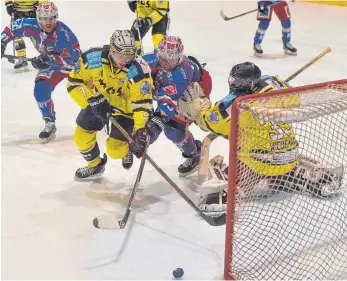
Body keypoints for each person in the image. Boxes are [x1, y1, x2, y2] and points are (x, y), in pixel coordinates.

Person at [193, 62, 343, 218]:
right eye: (236, 80)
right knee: (272, 154)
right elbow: (293, 95)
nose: (236, 84)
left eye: (242, 81)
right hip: (288, 156)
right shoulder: (273, 82)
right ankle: (304, 175)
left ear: (253, 81)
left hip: (255, 164)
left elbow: (209, 123)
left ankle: (230, 191)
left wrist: (201, 107)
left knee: (225, 160)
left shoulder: (236, 103)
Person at [67, 29, 159, 180]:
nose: (123, 60)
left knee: (115, 150)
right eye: (119, 55)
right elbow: (74, 82)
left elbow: (142, 104)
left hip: (127, 112)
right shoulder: (92, 59)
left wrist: (139, 130)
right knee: (80, 137)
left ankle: (127, 149)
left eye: (128, 55)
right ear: (111, 50)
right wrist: (93, 100)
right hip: (100, 101)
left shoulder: (139, 70)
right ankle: (96, 166)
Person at [1, 1, 82, 142]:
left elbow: (73, 60)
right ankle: (50, 123)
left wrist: (47, 59)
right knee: (40, 91)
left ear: (56, 17)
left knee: (90, 94)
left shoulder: (65, 35)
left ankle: (102, 115)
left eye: (51, 18)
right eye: (44, 18)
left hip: (74, 67)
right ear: (38, 18)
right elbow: (12, 28)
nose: (48, 22)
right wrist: (2, 42)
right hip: (51, 67)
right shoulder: (31, 25)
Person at [142, 35, 213, 176]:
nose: (166, 64)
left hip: (196, 89)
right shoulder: (148, 60)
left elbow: (167, 100)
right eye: (163, 59)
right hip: (172, 91)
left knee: (173, 129)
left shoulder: (183, 73)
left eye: (171, 60)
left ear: (179, 57)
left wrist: (155, 124)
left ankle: (194, 153)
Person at [4, 0, 44, 71]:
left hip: (34, 10)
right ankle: (21, 57)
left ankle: (46, 56)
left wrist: (42, 4)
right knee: (17, 35)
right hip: (17, 10)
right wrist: (8, 3)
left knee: (37, 34)